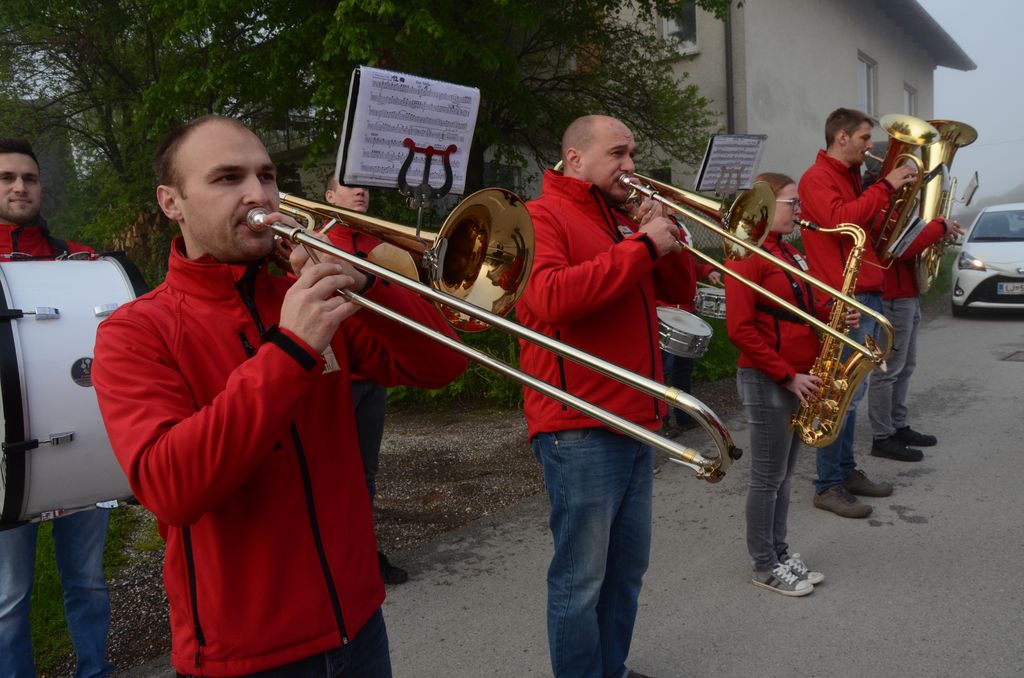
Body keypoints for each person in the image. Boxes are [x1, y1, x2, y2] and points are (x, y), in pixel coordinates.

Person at [90, 116, 467, 677]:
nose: (259, 194)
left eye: (266, 176)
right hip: (248, 650)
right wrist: (291, 350)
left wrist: (369, 283)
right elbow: (170, 488)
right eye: (227, 178)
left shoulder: (304, 294)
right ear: (172, 203)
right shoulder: (135, 332)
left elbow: (442, 364)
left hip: (357, 619)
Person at [517, 114, 696, 678]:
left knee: (625, 572)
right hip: (578, 423)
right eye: (618, 153)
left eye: (632, 153)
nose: (631, 165)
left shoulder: (618, 221)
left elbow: (680, 292)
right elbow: (550, 298)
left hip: (635, 416)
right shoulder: (539, 217)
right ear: (575, 158)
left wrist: (667, 236)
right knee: (581, 580)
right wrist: (641, 246)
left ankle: (609, 668)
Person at [0, 136, 113, 678]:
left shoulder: (81, 261)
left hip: (82, 444)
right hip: (4, 457)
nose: (20, 187)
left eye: (29, 178)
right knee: (8, 599)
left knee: (88, 582)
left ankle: (96, 671)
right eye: (6, 178)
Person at [726, 172, 849, 596]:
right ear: (764, 205)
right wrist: (786, 375)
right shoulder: (746, 253)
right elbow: (740, 329)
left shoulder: (789, 252)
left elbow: (802, 305)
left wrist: (835, 313)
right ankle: (764, 564)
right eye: (791, 203)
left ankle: (778, 552)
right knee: (767, 477)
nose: (798, 210)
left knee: (784, 475)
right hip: (770, 379)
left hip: (799, 378)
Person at [798, 107, 917, 519]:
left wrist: (893, 201)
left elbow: (866, 225)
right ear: (842, 137)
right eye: (866, 137)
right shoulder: (817, 178)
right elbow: (840, 220)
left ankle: (845, 472)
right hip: (843, 297)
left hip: (865, 292)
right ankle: (827, 484)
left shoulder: (850, 176)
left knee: (853, 393)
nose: (871, 146)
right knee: (840, 396)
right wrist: (885, 185)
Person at [323, 177, 408, 585]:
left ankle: (363, 551)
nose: (360, 192)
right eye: (349, 186)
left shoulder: (378, 244)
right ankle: (335, 556)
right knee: (332, 474)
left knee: (366, 472)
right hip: (335, 378)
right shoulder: (317, 240)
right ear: (329, 197)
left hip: (373, 375)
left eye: (363, 187)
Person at [866, 213, 962, 460]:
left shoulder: (896, 208)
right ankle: (882, 437)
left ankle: (898, 425)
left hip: (907, 292)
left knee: (906, 366)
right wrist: (939, 227)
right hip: (892, 295)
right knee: (888, 371)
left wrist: (935, 234)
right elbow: (900, 249)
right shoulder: (879, 208)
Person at [659, 264, 721, 436]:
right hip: (666, 314)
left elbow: (688, 267)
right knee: (663, 370)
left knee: (684, 369)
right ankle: (661, 419)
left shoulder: (683, 245)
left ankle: (684, 415)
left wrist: (708, 271)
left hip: (687, 315)